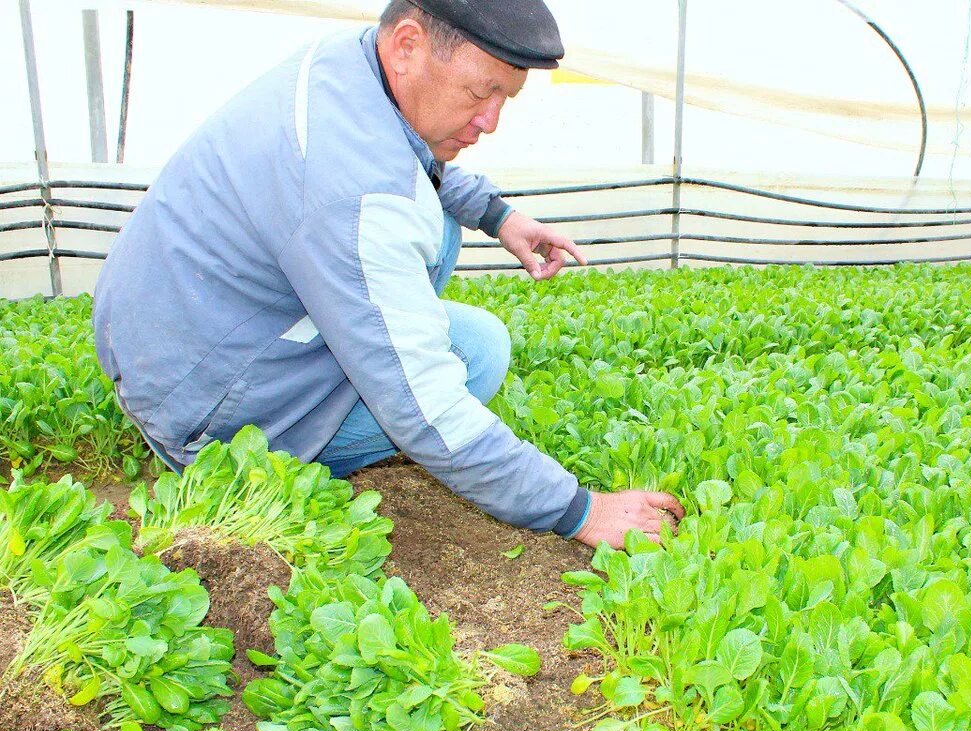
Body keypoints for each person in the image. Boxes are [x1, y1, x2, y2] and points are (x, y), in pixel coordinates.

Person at [92, 0, 685, 550]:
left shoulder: (348, 66)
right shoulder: (355, 193)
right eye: (483, 92)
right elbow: (424, 405)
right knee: (475, 354)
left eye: (508, 98)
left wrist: (496, 215)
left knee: (442, 242)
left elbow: (410, 153)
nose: (491, 120)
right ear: (408, 44)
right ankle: (240, 465)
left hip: (164, 346)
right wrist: (577, 509)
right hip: (202, 411)